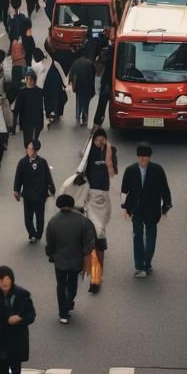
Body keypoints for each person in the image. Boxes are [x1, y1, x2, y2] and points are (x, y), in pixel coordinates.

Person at [120, 142, 172, 278]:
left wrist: (166, 204)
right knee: (137, 236)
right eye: (141, 156)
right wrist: (124, 207)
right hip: (135, 208)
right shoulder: (130, 170)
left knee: (151, 236)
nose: (143, 159)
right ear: (137, 157)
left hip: (152, 207)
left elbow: (164, 188)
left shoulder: (157, 170)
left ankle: (147, 261)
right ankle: (140, 266)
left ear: (150, 157)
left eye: (146, 156)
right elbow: (124, 190)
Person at [45, 194, 96, 325]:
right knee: (72, 283)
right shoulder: (83, 221)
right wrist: (86, 255)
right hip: (76, 259)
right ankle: (69, 301)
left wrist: (50, 254)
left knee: (61, 285)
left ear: (59, 205)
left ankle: (63, 313)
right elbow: (89, 241)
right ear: (72, 205)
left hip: (60, 260)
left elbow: (50, 242)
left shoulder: (53, 221)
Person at [83, 128, 117, 291]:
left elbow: (113, 171)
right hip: (90, 198)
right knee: (96, 239)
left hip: (103, 198)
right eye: (98, 140)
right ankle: (95, 279)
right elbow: (81, 171)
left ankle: (97, 276)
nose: (100, 142)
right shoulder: (88, 154)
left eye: (103, 139)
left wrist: (109, 156)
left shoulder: (109, 151)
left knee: (99, 235)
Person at [13, 139, 56, 243]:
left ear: (35, 150)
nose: (27, 150)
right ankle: (32, 234)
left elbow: (48, 177)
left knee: (40, 217)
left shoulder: (42, 162)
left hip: (40, 195)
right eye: (27, 148)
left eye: (30, 148)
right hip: (28, 195)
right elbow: (18, 177)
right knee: (28, 218)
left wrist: (51, 189)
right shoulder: (23, 162)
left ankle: (38, 234)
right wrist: (16, 190)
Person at [13, 70, 45, 147]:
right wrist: (14, 122)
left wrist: (41, 122)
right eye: (27, 79)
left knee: (34, 141)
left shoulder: (39, 92)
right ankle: (29, 154)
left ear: (34, 80)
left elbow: (40, 108)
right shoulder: (22, 92)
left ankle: (32, 154)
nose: (29, 81)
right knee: (27, 141)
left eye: (31, 79)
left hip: (36, 120)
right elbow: (17, 107)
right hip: (26, 121)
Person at [68, 52, 96, 126]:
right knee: (86, 102)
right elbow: (93, 75)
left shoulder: (76, 62)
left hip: (79, 86)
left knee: (79, 101)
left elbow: (71, 73)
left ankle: (78, 117)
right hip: (88, 86)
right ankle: (85, 118)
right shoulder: (89, 63)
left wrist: (70, 82)